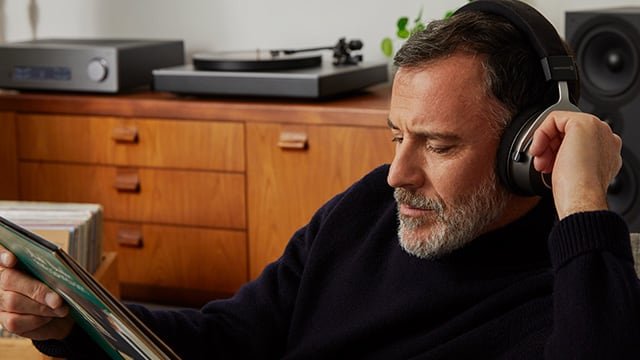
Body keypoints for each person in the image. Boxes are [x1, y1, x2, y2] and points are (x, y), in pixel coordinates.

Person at [1, 1, 640, 359]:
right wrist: (73, 324)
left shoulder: (575, 290)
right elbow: (234, 335)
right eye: (397, 136)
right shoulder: (366, 208)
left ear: (524, 151)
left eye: (437, 145)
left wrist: (584, 203)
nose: (397, 173)